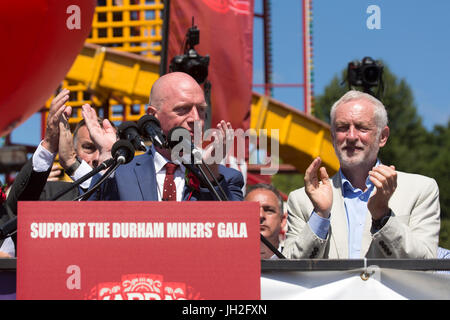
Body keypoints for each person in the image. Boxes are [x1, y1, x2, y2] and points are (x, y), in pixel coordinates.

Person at [283, 90, 440, 259]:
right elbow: (290, 272)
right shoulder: (302, 200)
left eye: (362, 128)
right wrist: (320, 216)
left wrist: (383, 216)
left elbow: (426, 265)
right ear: (333, 136)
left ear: (383, 137)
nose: (351, 136)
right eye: (342, 128)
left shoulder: (421, 190)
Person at [83, 72, 244, 201]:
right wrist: (106, 158)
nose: (196, 119)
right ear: (153, 115)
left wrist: (210, 173)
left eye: (201, 110)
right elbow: (88, 225)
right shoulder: (121, 174)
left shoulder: (227, 178)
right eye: (183, 109)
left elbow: (237, 234)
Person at [245, 184, 287, 259]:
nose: (260, 215)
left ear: (283, 220)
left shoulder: (297, 258)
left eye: (269, 210)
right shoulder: (228, 261)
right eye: (252, 210)